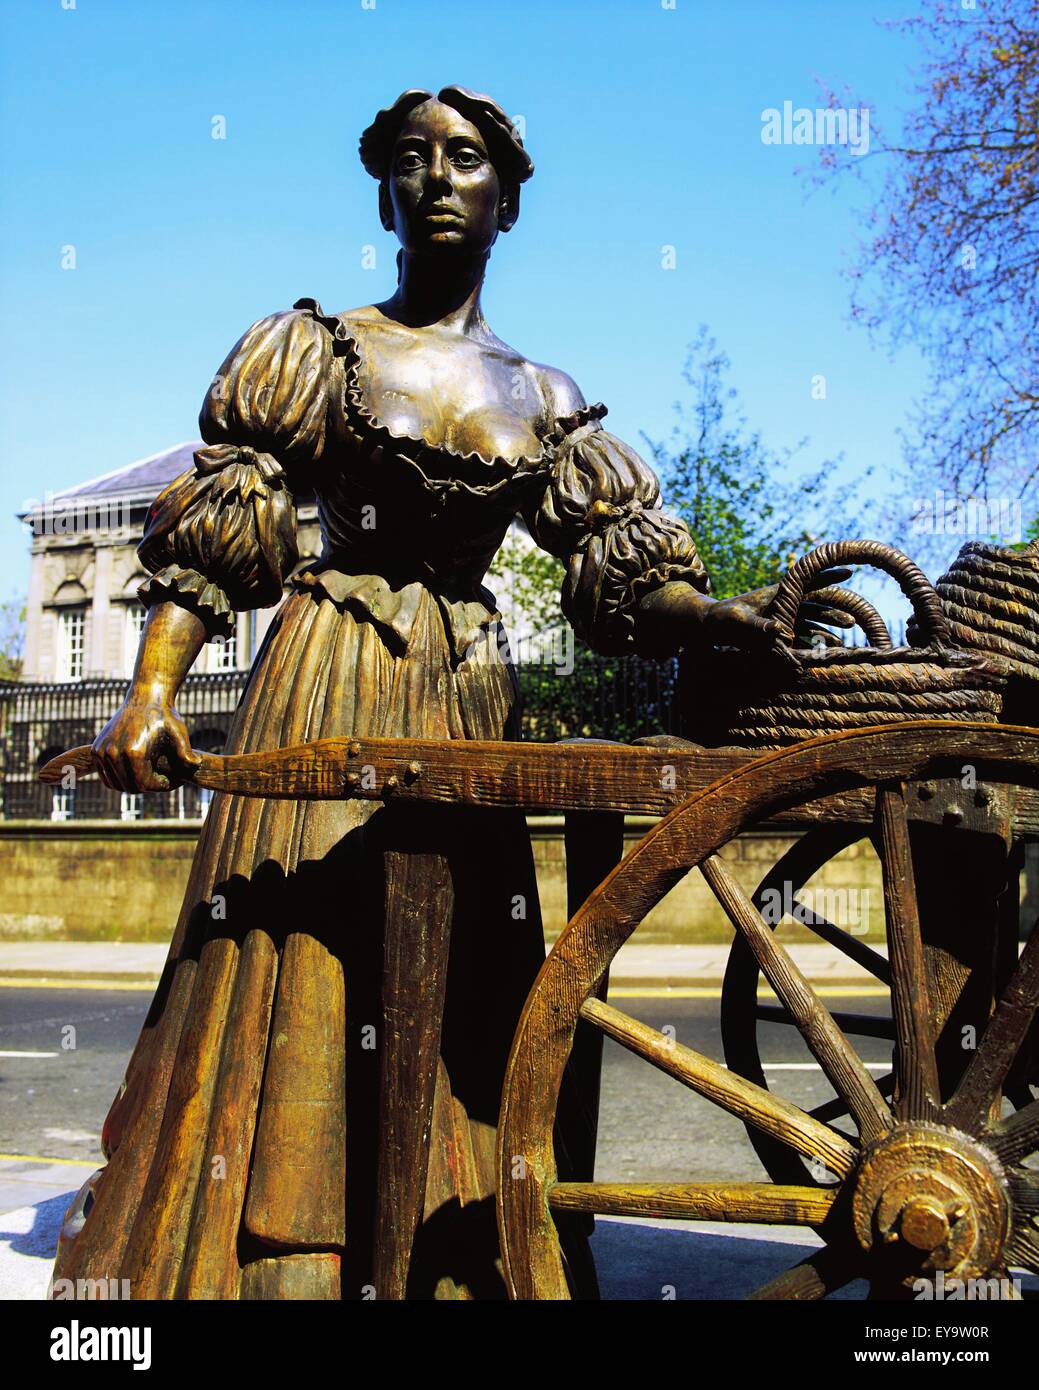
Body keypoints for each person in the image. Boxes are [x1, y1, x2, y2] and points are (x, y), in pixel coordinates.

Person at [55, 85, 846, 1300]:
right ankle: (290, 1246)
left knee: (467, 964)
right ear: (384, 190)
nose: (435, 177)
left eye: (464, 159)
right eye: (411, 160)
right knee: (308, 953)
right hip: (327, 676)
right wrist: (150, 689)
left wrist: (715, 612)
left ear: (506, 202)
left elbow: (619, 570)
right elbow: (218, 539)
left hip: (467, 692)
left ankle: (445, 1239)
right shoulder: (311, 350)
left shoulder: (541, 393)